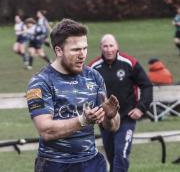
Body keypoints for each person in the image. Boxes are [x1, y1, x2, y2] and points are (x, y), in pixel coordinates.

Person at [26, 19, 120, 172]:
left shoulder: (93, 77)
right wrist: (84, 120)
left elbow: (113, 127)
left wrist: (110, 117)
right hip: (54, 164)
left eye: (85, 48)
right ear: (59, 51)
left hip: (91, 163)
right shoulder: (41, 82)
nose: (82, 55)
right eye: (76, 50)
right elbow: (46, 131)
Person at [89, 34, 152, 172]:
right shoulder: (93, 68)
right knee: (112, 156)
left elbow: (147, 85)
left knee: (121, 154)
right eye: (105, 46)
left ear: (117, 46)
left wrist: (141, 108)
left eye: (111, 45)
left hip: (126, 118)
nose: (108, 49)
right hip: (106, 120)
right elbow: (86, 91)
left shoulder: (129, 63)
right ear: (101, 47)